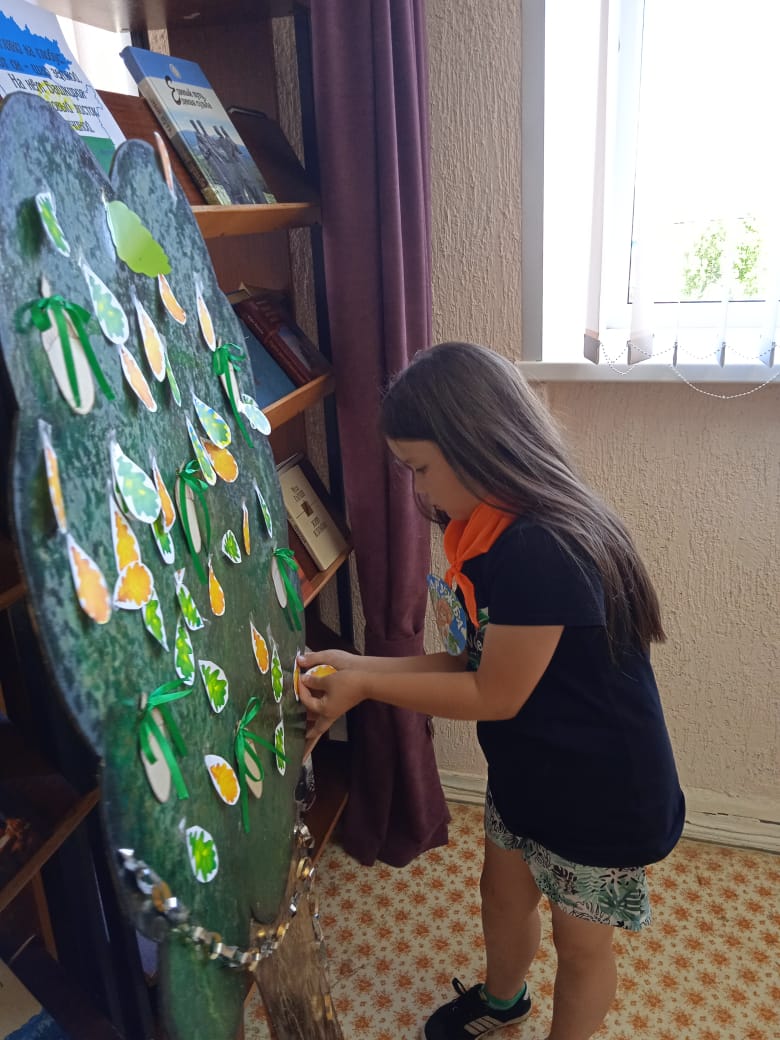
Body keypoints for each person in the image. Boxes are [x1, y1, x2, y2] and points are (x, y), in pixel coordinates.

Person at [298, 342, 685, 1040]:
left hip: (600, 793)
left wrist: (367, 685)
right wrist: (360, 668)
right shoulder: (487, 534)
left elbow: (493, 694)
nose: (417, 493)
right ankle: (504, 1000)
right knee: (503, 897)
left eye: (420, 469)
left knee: (581, 946)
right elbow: (469, 663)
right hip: (530, 766)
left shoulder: (542, 548)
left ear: (476, 444)